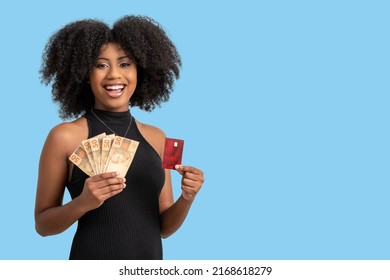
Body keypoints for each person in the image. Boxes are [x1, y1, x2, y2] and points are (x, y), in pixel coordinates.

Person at [34, 15, 204, 260]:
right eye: (101, 65)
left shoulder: (158, 138)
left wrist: (187, 198)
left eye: (125, 64)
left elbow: (165, 228)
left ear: (140, 70)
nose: (114, 75)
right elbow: (43, 225)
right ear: (84, 73)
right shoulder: (64, 136)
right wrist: (83, 203)